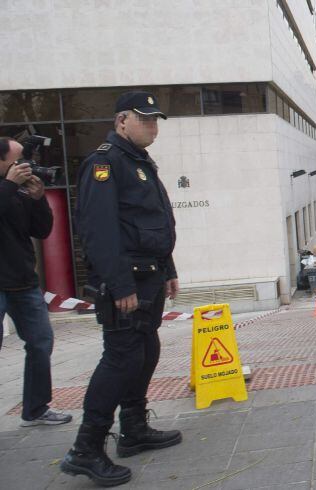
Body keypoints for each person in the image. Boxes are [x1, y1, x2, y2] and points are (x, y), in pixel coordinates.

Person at [61, 91, 182, 487]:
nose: (152, 125)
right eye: (145, 119)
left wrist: (167, 267)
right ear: (121, 122)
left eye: (155, 120)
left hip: (148, 275)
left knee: (145, 351)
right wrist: (119, 285)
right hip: (126, 281)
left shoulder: (138, 161)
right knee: (120, 359)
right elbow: (99, 231)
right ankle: (85, 449)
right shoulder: (105, 163)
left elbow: (154, 222)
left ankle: (133, 429)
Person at [0, 137, 73, 427]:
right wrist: (8, 185)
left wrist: (39, 198)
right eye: (17, 161)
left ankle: (36, 408)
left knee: (41, 342)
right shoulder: (7, 189)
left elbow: (41, 231)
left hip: (24, 283)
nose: (24, 166)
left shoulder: (18, 192)